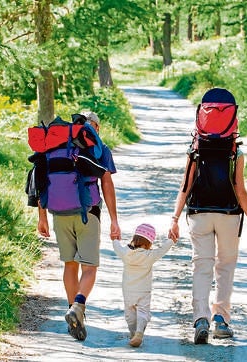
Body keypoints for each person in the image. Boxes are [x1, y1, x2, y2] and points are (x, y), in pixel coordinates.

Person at [167, 88, 247, 344]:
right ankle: (221, 319)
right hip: (229, 215)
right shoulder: (235, 152)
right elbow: (240, 191)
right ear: (234, 119)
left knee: (202, 266)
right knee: (225, 268)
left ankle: (200, 319)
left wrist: (175, 218)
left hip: (199, 214)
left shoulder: (195, 149)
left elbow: (185, 186)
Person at [37, 111, 121, 341]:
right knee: (90, 267)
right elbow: (106, 183)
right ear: (96, 127)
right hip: (88, 213)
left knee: (70, 265)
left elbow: (41, 179)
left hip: (59, 212)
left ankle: (73, 313)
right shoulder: (98, 147)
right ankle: (78, 306)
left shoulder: (55, 145)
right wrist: (114, 219)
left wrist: (41, 216)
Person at [112, 223, 176, 347]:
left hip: (128, 290)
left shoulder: (126, 253)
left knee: (129, 314)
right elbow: (162, 250)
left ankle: (133, 333)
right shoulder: (150, 256)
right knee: (143, 311)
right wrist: (171, 240)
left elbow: (116, 247)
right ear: (149, 243)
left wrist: (115, 238)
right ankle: (139, 332)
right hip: (144, 291)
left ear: (135, 238)